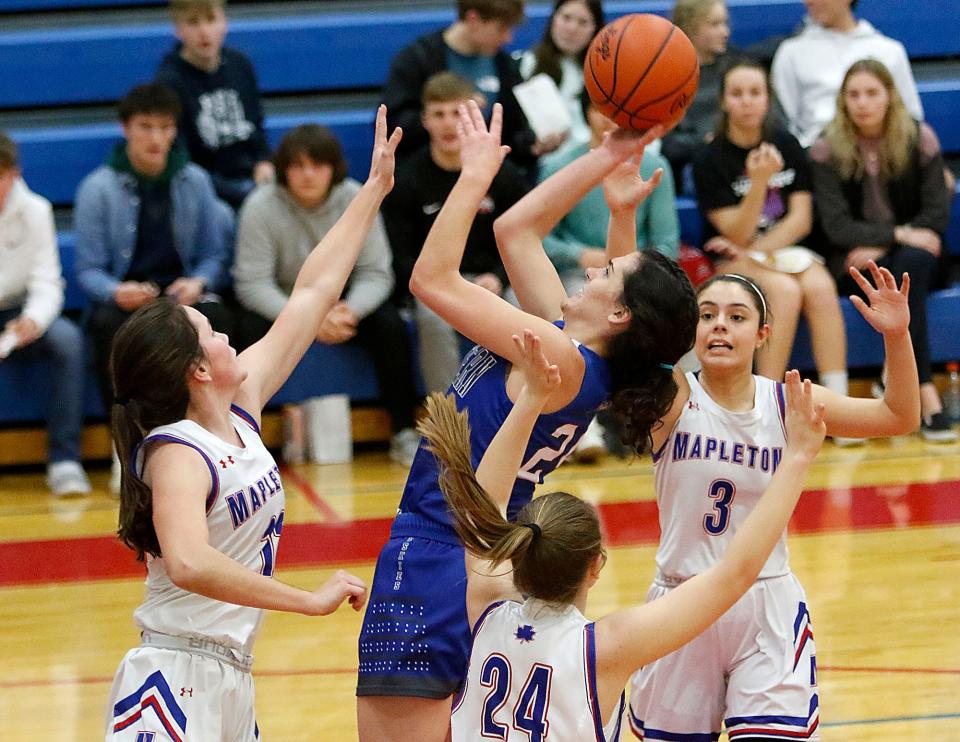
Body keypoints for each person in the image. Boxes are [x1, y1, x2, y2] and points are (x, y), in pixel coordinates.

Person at [355, 101, 698, 741]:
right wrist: (607, 156)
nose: (592, 267)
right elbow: (516, 231)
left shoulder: (560, 357)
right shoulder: (569, 347)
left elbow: (431, 279)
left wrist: (474, 175)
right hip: (469, 554)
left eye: (607, 272)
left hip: (441, 551)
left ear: (620, 315)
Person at [103, 105, 398, 741]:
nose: (227, 332)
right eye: (209, 332)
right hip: (172, 676)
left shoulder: (239, 411)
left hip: (231, 674)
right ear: (195, 372)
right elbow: (186, 561)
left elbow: (313, 293)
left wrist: (370, 193)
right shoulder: (175, 450)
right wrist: (305, 599)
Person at [415, 330, 828, 742]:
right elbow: (736, 574)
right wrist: (796, 456)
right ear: (595, 566)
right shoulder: (606, 648)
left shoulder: (486, 609)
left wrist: (530, 401)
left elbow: (482, 505)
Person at [628, 265, 920, 741]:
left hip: (765, 604)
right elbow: (632, 325)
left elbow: (898, 415)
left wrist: (897, 337)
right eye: (707, 315)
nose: (720, 324)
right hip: (680, 602)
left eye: (737, 316)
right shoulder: (673, 397)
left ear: (763, 334)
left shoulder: (789, 402)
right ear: (692, 330)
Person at [74, 82, 233, 491]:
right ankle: (124, 451)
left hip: (181, 300)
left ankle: (219, 438)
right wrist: (116, 290)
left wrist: (198, 281)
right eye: (146, 127)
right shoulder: (98, 188)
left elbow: (215, 256)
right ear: (125, 128)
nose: (157, 138)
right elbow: (88, 270)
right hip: (127, 302)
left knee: (222, 319)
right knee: (108, 325)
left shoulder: (195, 181)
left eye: (165, 128)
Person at [233, 123, 421, 465]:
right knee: (243, 326)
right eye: (297, 166)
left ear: (333, 168)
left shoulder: (355, 196)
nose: (308, 174)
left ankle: (403, 431)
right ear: (283, 170)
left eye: (317, 165)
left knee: (390, 325)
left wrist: (350, 310)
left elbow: (377, 272)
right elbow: (251, 283)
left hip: (344, 305)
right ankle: (242, 435)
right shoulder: (260, 206)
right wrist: (305, 318)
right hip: (284, 304)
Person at [809, 58, 957, 442]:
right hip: (857, 266)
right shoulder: (827, 149)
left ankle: (919, 387)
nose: (863, 103)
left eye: (872, 93)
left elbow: (936, 216)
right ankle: (924, 397)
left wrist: (885, 240)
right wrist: (901, 234)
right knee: (901, 266)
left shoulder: (918, 138)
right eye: (853, 94)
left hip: (912, 261)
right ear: (843, 101)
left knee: (910, 267)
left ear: (890, 96)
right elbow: (837, 227)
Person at [693, 60, 852, 400]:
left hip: (771, 250)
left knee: (821, 286)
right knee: (783, 291)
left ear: (768, 99)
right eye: (737, 94)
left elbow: (801, 220)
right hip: (729, 261)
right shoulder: (709, 158)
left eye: (755, 92)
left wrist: (757, 251)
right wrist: (759, 183)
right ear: (723, 101)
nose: (747, 101)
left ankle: (836, 402)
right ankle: (766, 403)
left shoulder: (787, 144)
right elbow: (735, 234)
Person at [541, 89, 679, 459]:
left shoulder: (653, 168)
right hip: (580, 274)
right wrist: (582, 254)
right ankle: (577, 421)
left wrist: (631, 264)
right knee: (564, 308)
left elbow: (667, 243)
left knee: (676, 320)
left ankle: (668, 420)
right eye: (605, 111)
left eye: (623, 114)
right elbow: (541, 239)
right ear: (587, 113)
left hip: (636, 275)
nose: (612, 121)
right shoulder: (559, 167)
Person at [382, 71, 529, 394]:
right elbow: (400, 256)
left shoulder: (503, 176)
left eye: (457, 113)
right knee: (433, 317)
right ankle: (445, 417)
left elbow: (523, 241)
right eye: (439, 114)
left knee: (525, 302)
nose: (448, 123)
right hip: (434, 283)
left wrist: (498, 277)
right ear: (425, 121)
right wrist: (448, 285)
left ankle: (527, 404)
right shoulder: (408, 180)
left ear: (473, 116)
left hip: (490, 279)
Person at [0, 131, 90, 497]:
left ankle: (65, 460)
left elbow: (47, 281)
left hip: (19, 310)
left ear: (14, 174)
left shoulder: (36, 210)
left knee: (67, 341)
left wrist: (33, 320)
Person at [381, 0, 548, 175]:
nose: (508, 38)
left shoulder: (504, 65)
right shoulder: (418, 59)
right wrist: (449, 113)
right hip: (427, 180)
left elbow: (513, 134)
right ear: (473, 19)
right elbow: (393, 123)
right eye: (501, 28)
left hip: (490, 180)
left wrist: (534, 145)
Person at [157, 0, 274, 209]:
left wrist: (264, 161)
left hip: (252, 180)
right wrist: (234, 192)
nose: (204, 32)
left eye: (211, 20)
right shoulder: (170, 82)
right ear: (178, 30)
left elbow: (257, 125)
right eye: (193, 22)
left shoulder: (240, 65)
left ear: (225, 23)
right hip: (206, 190)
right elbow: (180, 158)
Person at [771, 0, 922, 149]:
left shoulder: (890, 51)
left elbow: (911, 117)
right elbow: (783, 123)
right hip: (816, 158)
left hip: (883, 159)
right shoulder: (791, 52)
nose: (808, 2)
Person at [515, 0, 605, 171]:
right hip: (550, 165)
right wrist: (534, 144)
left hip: (598, 158)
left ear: (596, 27)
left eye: (582, 22)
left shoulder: (605, 70)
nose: (571, 28)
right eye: (566, 18)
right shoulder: (527, 65)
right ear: (553, 19)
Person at [661, 0, 734, 192]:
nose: (725, 32)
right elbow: (667, 145)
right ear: (690, 28)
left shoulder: (735, 66)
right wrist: (705, 141)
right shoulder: (666, 78)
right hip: (695, 166)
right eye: (715, 24)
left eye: (725, 23)